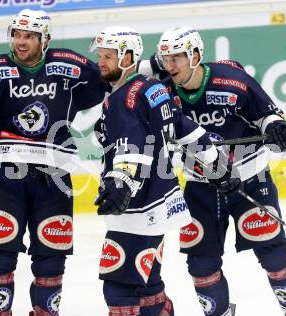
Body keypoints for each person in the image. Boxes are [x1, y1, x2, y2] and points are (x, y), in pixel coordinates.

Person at [0, 9, 109, 315]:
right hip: (7, 176)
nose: (20, 42)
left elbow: (112, 78)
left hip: (55, 177)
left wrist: (153, 68)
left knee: (51, 260)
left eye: (29, 36)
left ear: (44, 40)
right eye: (17, 35)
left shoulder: (70, 65)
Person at [142, 26, 286, 316]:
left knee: (275, 256)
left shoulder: (233, 81)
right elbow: (119, 80)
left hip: (250, 182)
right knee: (201, 265)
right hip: (200, 187)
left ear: (195, 55)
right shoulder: (162, 91)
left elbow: (267, 115)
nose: (170, 65)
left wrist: (278, 129)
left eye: (177, 57)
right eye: (165, 59)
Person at [89, 25, 238, 316]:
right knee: (147, 284)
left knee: (118, 286)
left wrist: (121, 182)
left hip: (137, 206)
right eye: (101, 56)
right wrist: (217, 164)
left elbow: (131, 145)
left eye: (108, 56)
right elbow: (184, 128)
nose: (101, 62)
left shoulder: (123, 100)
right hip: (161, 203)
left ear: (128, 57)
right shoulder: (153, 88)